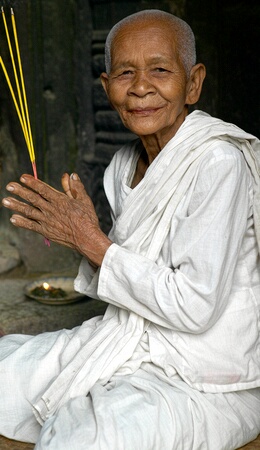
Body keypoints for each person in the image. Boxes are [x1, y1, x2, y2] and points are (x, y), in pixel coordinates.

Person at [1, 9, 260, 450]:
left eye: (160, 69)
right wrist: (86, 242)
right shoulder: (121, 167)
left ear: (193, 83)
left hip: (205, 375)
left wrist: (92, 241)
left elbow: (194, 306)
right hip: (128, 337)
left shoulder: (219, 162)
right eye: (125, 73)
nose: (141, 86)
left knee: (81, 438)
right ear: (106, 88)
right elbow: (130, 276)